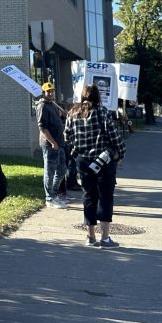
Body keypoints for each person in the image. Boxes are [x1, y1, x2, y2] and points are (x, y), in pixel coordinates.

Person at [63, 84, 126, 247]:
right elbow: (114, 135)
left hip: (83, 161)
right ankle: (105, 237)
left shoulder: (72, 113)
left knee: (89, 196)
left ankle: (90, 236)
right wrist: (120, 153)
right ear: (97, 97)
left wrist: (75, 153)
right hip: (103, 160)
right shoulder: (102, 112)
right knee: (105, 197)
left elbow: (67, 136)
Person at [36, 82, 68, 208]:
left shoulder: (52, 105)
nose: (50, 93)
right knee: (50, 171)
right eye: (48, 91)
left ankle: (54, 194)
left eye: (52, 91)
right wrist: (52, 142)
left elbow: (56, 120)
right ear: (43, 93)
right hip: (50, 144)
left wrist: (62, 114)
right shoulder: (42, 106)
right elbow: (42, 127)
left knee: (62, 170)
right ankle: (49, 198)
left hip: (59, 143)